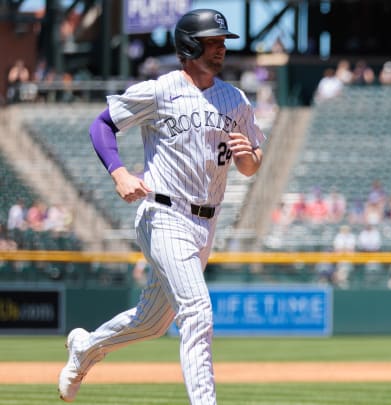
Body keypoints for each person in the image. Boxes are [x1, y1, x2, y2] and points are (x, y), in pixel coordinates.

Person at [58, 9, 266, 404]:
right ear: (190, 45)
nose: (221, 47)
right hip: (162, 214)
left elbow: (251, 162)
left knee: (152, 322)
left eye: (222, 41)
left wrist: (248, 158)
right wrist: (119, 172)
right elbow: (101, 125)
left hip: (205, 224)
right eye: (212, 41)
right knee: (197, 313)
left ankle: (84, 349)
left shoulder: (235, 99)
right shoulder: (161, 90)